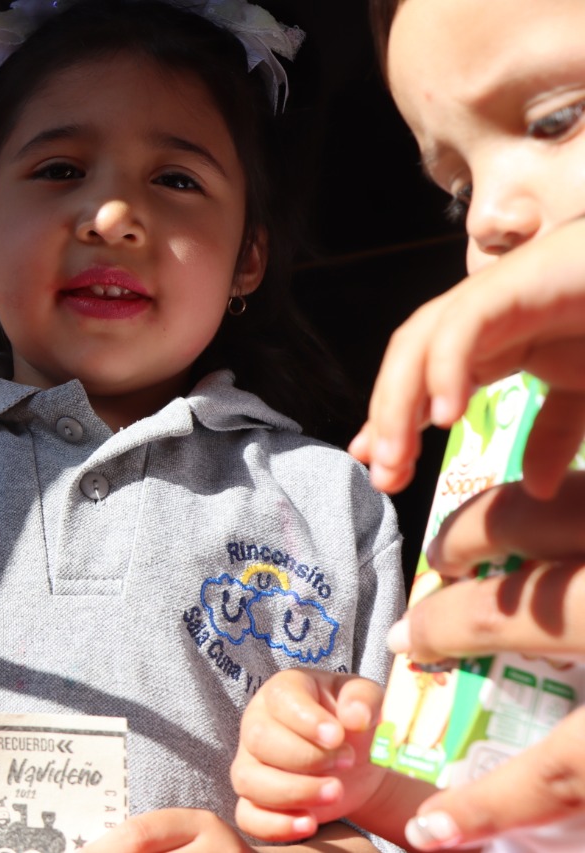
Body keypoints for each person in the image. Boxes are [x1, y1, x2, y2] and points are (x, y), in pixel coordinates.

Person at [0, 2, 405, 850]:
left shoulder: (334, 502)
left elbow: (394, 814)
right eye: (62, 168)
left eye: (176, 180)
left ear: (248, 254)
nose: (112, 216)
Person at [232, 0, 585, 850]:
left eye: (558, 118)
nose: (487, 219)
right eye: (458, 188)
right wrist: (367, 780)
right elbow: (498, 804)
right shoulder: (509, 425)